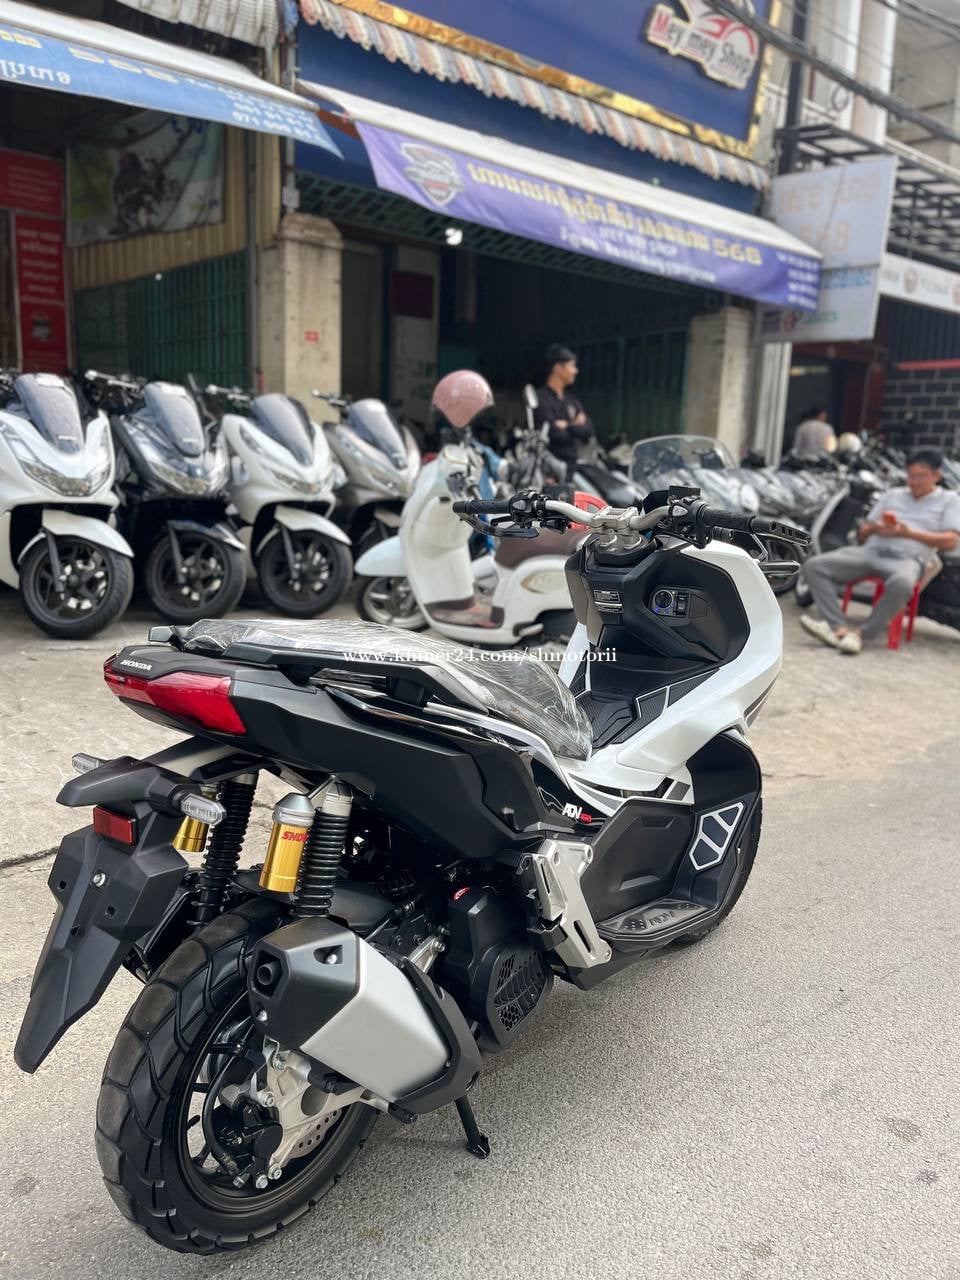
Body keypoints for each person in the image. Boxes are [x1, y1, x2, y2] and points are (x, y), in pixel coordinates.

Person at [800, 447, 960, 655]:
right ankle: (838, 630)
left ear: (936, 475)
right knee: (814, 566)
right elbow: (862, 534)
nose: (914, 482)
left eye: (921, 476)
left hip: (908, 559)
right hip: (872, 551)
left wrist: (908, 533)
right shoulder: (892, 495)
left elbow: (951, 541)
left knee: (903, 583)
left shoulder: (949, 500)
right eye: (911, 476)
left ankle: (861, 635)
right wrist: (875, 528)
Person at [534, 343, 594, 478]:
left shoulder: (572, 400)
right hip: (550, 472)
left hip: (573, 468)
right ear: (558, 368)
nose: (575, 371)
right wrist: (575, 424)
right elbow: (553, 433)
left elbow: (588, 430)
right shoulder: (541, 398)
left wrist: (566, 425)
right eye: (572, 366)